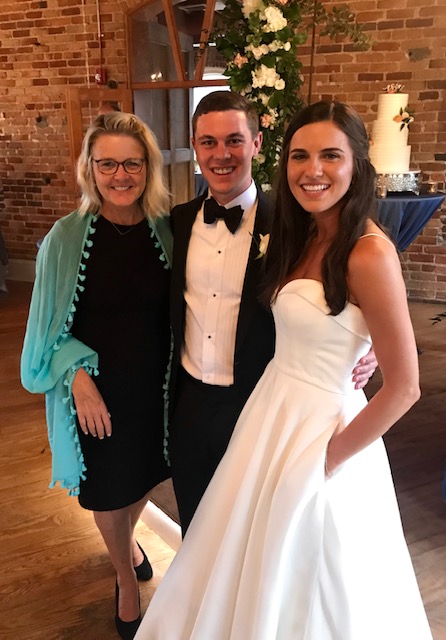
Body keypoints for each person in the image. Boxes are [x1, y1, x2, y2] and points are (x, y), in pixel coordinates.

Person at [134, 101, 432, 639]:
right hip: (268, 411)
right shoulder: (301, 233)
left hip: (322, 432)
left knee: (315, 565)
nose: (312, 170)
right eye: (300, 156)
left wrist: (325, 458)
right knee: (241, 548)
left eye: (330, 156)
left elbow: (405, 385)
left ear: (357, 164)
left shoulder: (368, 253)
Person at [167, 90, 377, 534]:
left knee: (248, 534)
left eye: (234, 140)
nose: (221, 155)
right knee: (194, 528)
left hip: (257, 405)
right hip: (188, 403)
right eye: (208, 142)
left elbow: (345, 285)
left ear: (257, 144)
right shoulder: (179, 220)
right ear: (194, 146)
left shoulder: (295, 222)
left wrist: (371, 344)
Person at [21, 112, 172, 640]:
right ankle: (125, 579)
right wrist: (78, 378)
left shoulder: (166, 229)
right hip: (97, 392)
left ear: (148, 167)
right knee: (107, 489)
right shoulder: (64, 240)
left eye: (132, 162)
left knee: (141, 476)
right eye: (107, 163)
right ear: (89, 168)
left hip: (156, 388)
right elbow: (43, 338)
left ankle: (128, 542)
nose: (120, 174)